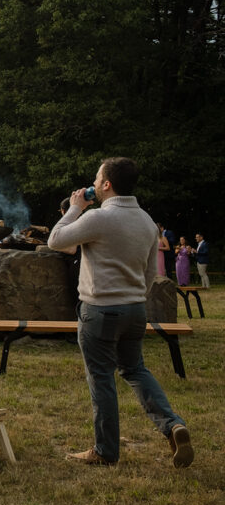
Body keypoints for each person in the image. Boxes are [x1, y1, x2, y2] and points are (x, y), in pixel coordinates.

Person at [48, 157, 192, 467]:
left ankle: (105, 451)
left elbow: (55, 240)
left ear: (106, 184)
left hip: (99, 310)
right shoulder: (146, 221)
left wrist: (75, 207)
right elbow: (151, 274)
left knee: (102, 378)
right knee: (135, 369)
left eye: (97, 178)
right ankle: (172, 424)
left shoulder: (99, 217)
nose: (94, 182)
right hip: (135, 309)